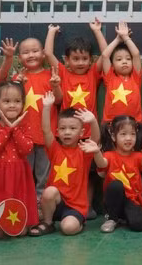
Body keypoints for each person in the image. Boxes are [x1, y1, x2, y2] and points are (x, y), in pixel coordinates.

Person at [28, 93, 100, 236]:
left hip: (75, 206)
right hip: (56, 202)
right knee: (49, 192)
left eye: (73, 129)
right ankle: (48, 223)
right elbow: (45, 131)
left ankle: (79, 222)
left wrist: (93, 122)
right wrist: (47, 107)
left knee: (68, 229)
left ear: (81, 132)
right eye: (63, 129)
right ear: (58, 131)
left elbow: (95, 139)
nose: (67, 132)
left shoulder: (84, 151)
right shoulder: (54, 149)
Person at [0, 81, 38, 238]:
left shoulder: (25, 125)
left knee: (20, 232)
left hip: (19, 178)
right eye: (6, 101)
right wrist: (7, 129)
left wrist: (15, 128)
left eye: (17, 101)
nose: (12, 105)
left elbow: (26, 149)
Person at [14, 38, 62, 197]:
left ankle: (41, 204)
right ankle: (24, 202)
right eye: (25, 52)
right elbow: (10, 103)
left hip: (45, 135)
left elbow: (60, 100)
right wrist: (17, 85)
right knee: (24, 173)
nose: (31, 55)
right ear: (19, 57)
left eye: (35, 51)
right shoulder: (18, 78)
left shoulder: (51, 75)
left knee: (44, 174)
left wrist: (55, 86)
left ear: (43, 54)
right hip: (23, 135)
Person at [97, 115, 142, 233]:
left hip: (132, 199)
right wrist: (96, 152)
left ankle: (124, 217)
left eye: (132, 134)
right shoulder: (109, 155)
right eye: (123, 134)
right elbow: (101, 163)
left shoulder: (137, 156)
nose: (128, 138)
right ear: (113, 136)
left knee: (140, 225)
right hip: (114, 199)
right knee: (115, 185)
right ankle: (112, 218)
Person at [44, 24, 104, 137]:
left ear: (90, 60)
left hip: (88, 133)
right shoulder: (63, 72)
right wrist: (51, 31)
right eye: (76, 59)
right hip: (66, 133)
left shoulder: (93, 73)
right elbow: (48, 53)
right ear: (67, 60)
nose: (81, 63)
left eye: (85, 58)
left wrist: (97, 31)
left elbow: (105, 54)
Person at [100, 21, 142, 124]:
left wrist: (126, 38)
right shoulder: (110, 77)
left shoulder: (135, 77)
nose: (124, 61)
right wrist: (118, 39)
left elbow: (136, 54)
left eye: (128, 59)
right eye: (119, 59)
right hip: (111, 123)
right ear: (113, 66)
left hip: (135, 123)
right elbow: (105, 55)